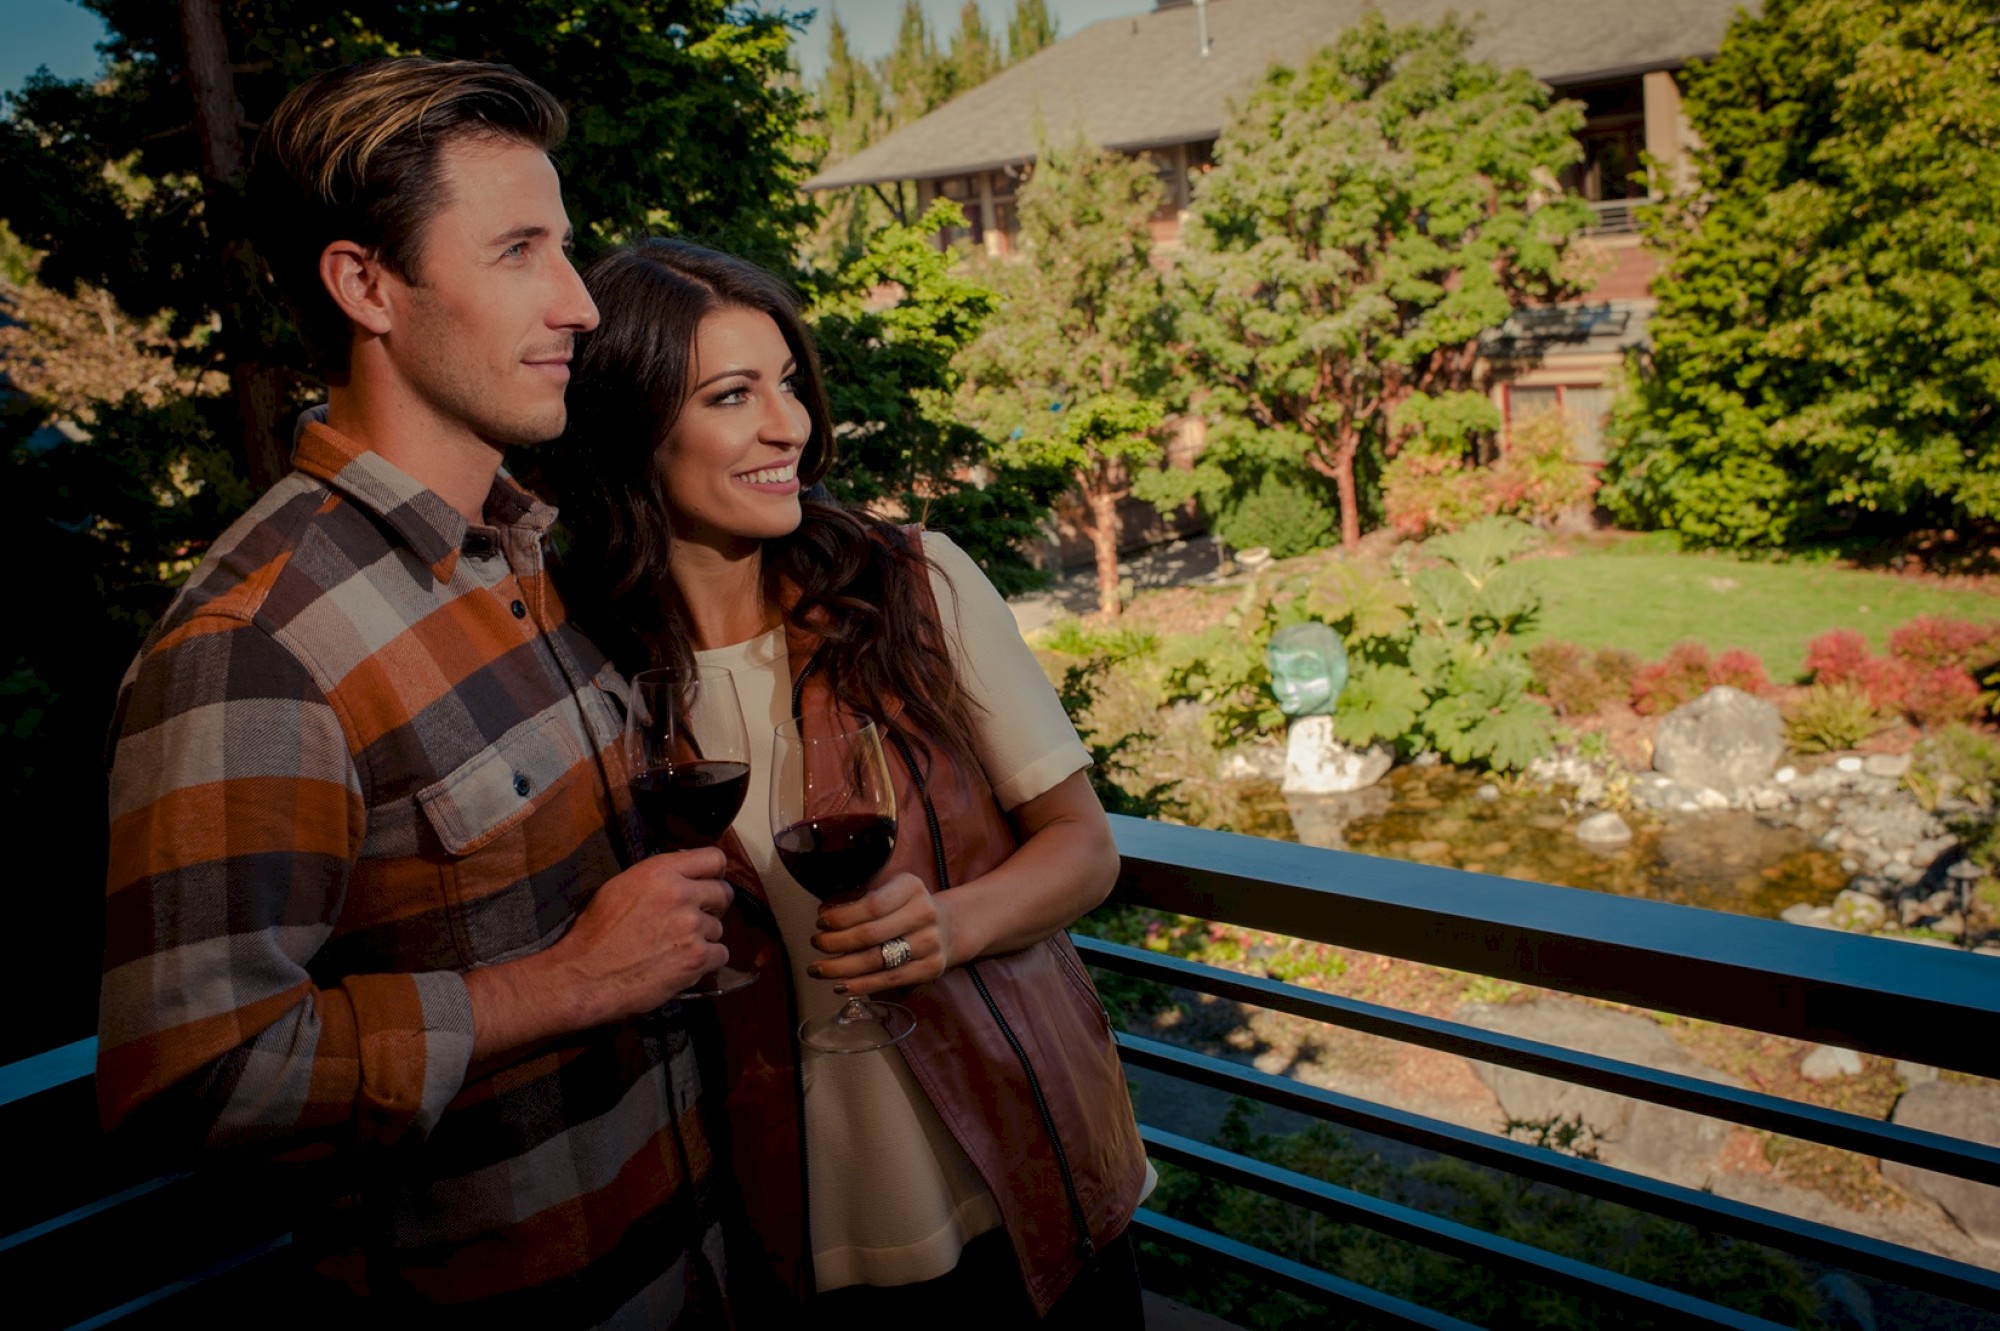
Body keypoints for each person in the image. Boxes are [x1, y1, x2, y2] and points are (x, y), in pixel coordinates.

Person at [96, 59, 741, 1325]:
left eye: (565, 248)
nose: (579, 305)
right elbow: (191, 1077)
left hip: (686, 1270)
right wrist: (563, 985)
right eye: (517, 252)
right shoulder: (255, 645)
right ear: (364, 285)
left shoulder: (527, 552)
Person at [543, 239, 1150, 1325]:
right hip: (772, 1216)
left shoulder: (911, 584)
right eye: (733, 395)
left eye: (787, 384)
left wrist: (949, 924)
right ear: (634, 427)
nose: (791, 427)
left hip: (1015, 1163)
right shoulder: (582, 662)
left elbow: (1082, 845)